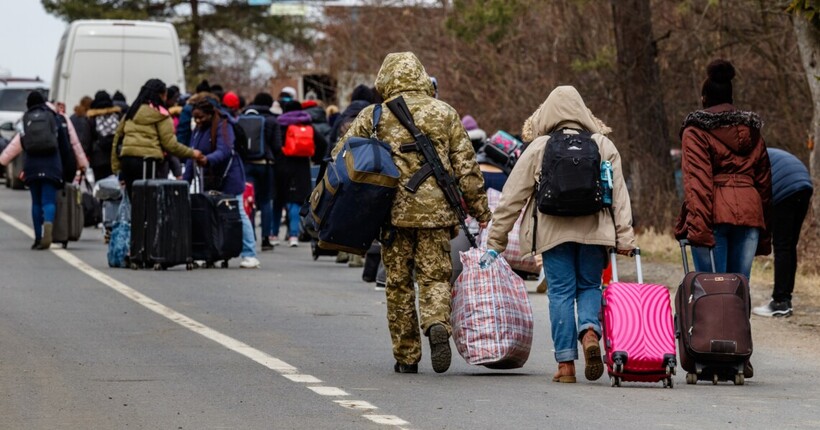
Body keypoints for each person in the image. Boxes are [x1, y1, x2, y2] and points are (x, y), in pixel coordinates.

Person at [336, 52, 491, 374]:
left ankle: (406, 356)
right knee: (434, 276)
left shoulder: (373, 115)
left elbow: (342, 156)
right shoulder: (445, 113)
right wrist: (481, 210)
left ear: (385, 79)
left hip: (390, 213)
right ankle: (436, 323)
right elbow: (467, 168)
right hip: (436, 214)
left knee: (398, 282)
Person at [483, 86, 636, 384]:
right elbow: (620, 195)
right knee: (590, 285)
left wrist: (496, 241)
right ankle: (590, 332)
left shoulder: (539, 147)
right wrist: (625, 237)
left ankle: (565, 365)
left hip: (553, 231)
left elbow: (511, 198)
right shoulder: (603, 145)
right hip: (595, 230)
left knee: (561, 293)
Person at [675, 59, 772, 282]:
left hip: (713, 215)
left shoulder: (696, 132)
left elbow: (697, 183)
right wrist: (766, 232)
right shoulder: (754, 132)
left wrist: (698, 230)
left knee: (712, 290)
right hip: (750, 213)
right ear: (730, 98)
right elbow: (765, 185)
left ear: (704, 99)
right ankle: (740, 319)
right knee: (739, 288)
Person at [0, 91, 89, 249]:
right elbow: (65, 146)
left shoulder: (26, 120)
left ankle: (38, 238)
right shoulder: (54, 118)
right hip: (51, 164)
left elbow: (17, 143)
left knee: (36, 202)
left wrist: (2, 160)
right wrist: (69, 167)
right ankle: (49, 226)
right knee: (48, 200)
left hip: (32, 165)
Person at [183, 97, 261, 269]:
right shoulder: (198, 129)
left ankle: (250, 254)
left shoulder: (224, 126)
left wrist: (207, 160)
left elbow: (224, 151)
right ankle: (214, 252)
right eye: (195, 118)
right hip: (211, 177)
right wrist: (185, 181)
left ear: (210, 114)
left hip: (230, 176)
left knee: (238, 212)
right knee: (211, 215)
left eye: (201, 117)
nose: (197, 121)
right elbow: (192, 155)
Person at [111, 79, 203, 197]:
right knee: (149, 204)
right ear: (161, 95)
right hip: (147, 163)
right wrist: (192, 153)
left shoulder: (131, 112)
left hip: (127, 161)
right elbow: (170, 145)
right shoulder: (161, 115)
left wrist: (117, 168)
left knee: (135, 204)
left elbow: (117, 139)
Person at [752, 148, 813, 317]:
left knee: (782, 246)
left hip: (786, 189)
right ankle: (785, 300)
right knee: (788, 245)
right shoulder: (762, 152)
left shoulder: (748, 158)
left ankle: (779, 302)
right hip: (804, 185)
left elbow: (756, 197)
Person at [274, 101, 327, 248]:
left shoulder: (281, 124)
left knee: (282, 200)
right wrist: (315, 157)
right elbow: (322, 143)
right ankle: (293, 235)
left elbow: (275, 145)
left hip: (283, 165)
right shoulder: (307, 124)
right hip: (302, 166)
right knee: (296, 201)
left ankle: (274, 234)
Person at [241, 92, 282, 251]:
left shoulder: (242, 119)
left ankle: (250, 235)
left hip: (246, 164)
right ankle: (266, 238)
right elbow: (278, 146)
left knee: (249, 201)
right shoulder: (272, 120)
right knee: (265, 201)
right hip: (265, 164)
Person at [86, 90, 121, 180]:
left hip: (98, 159)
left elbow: (88, 140)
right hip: (114, 158)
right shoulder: (117, 116)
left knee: (100, 187)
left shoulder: (92, 119)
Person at [178, 80, 211, 146]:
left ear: (196, 93)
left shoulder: (188, 108)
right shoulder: (215, 107)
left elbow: (183, 131)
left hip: (191, 147)